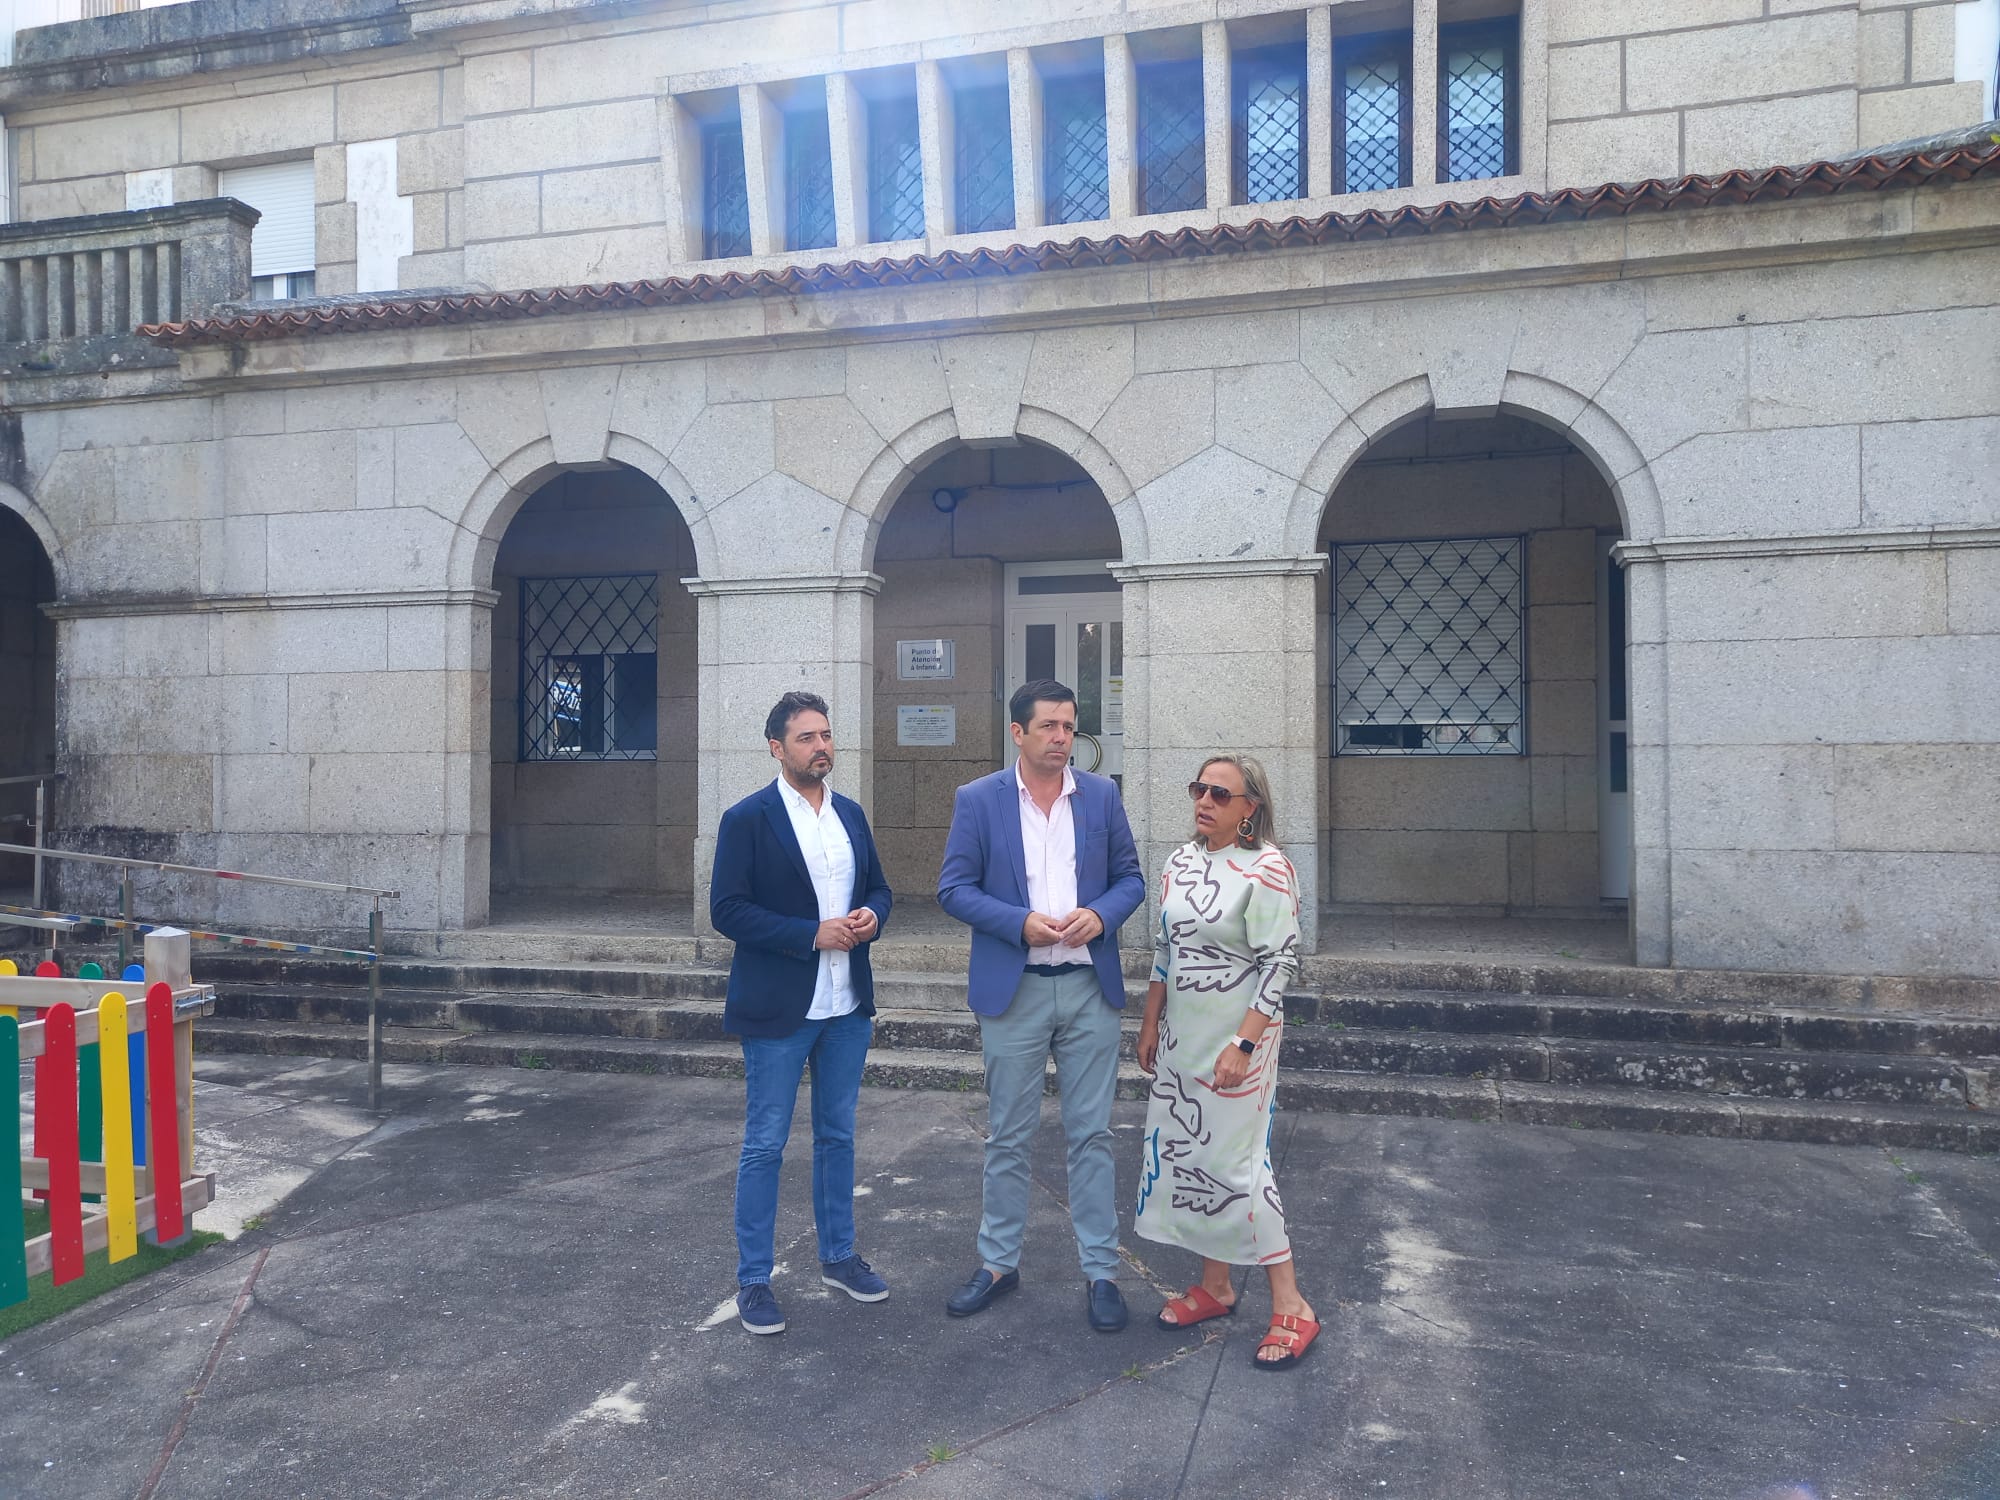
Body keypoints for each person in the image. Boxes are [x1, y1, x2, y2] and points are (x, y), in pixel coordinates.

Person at [937, 678, 1145, 1332]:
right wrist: (1017, 922)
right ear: (1018, 732)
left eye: (1069, 726)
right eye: (1049, 726)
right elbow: (954, 888)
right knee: (1008, 1135)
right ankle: (998, 1264)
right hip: (1015, 987)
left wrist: (1100, 915)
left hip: (1088, 987)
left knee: (1092, 1134)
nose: (1062, 738)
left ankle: (1102, 1272)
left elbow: (1131, 879)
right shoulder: (979, 799)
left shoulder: (1101, 795)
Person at [711, 690, 893, 1336]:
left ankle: (838, 1257)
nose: (822, 747)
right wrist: (809, 934)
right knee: (765, 1144)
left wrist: (873, 915)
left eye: (826, 735)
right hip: (780, 1008)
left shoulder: (850, 814)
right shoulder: (747, 819)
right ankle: (754, 1281)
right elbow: (727, 909)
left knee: (838, 1136)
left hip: (847, 1004)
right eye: (807, 737)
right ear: (776, 748)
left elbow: (879, 887)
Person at [1134, 753, 1320, 1369]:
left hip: (1240, 1042)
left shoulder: (1268, 868)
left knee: (1239, 1166)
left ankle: (1292, 1305)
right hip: (1182, 1039)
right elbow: (1165, 950)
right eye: (1199, 789)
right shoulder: (1179, 863)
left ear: (1249, 808)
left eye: (1220, 794)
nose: (1204, 801)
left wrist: (1243, 1045)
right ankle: (1216, 1285)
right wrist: (1150, 1023)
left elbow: (1279, 963)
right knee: (1192, 1157)